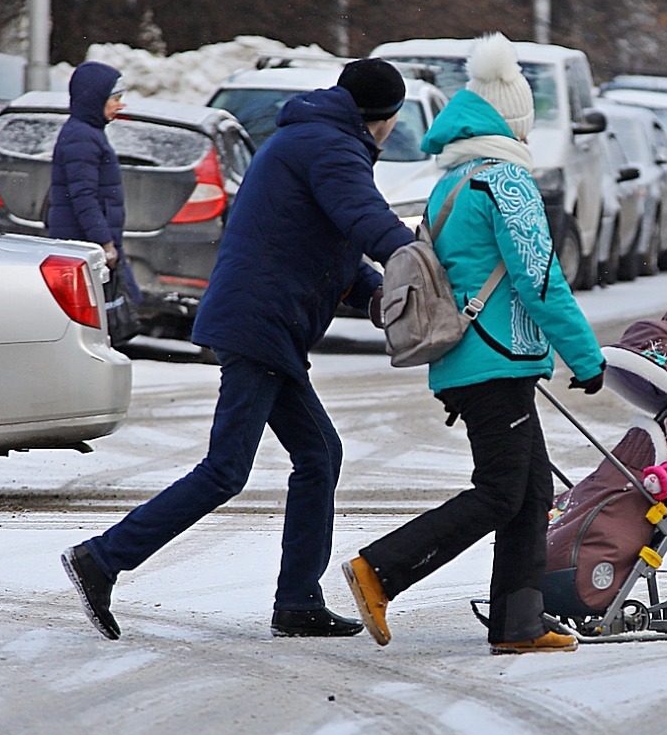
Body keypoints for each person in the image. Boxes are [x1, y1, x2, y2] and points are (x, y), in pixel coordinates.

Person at [62, 58, 415, 640]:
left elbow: (328, 241)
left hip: (265, 322)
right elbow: (367, 220)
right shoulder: (332, 147)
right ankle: (102, 559)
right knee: (226, 470)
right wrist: (422, 264)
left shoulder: (314, 138)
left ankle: (298, 602)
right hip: (260, 324)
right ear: (385, 119)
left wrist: (377, 291)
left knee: (320, 455)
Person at [341, 33, 606, 656]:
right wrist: (585, 356)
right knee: (502, 490)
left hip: (468, 354)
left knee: (531, 490)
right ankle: (381, 570)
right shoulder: (506, 185)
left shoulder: (453, 182)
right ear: (516, 122)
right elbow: (540, 279)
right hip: (494, 356)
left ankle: (518, 623)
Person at [46, 61, 140, 308]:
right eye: (115, 98)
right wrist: (105, 244)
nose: (121, 104)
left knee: (118, 310)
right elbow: (84, 196)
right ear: (95, 99)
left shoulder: (89, 132)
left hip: (87, 245)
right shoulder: (82, 137)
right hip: (84, 247)